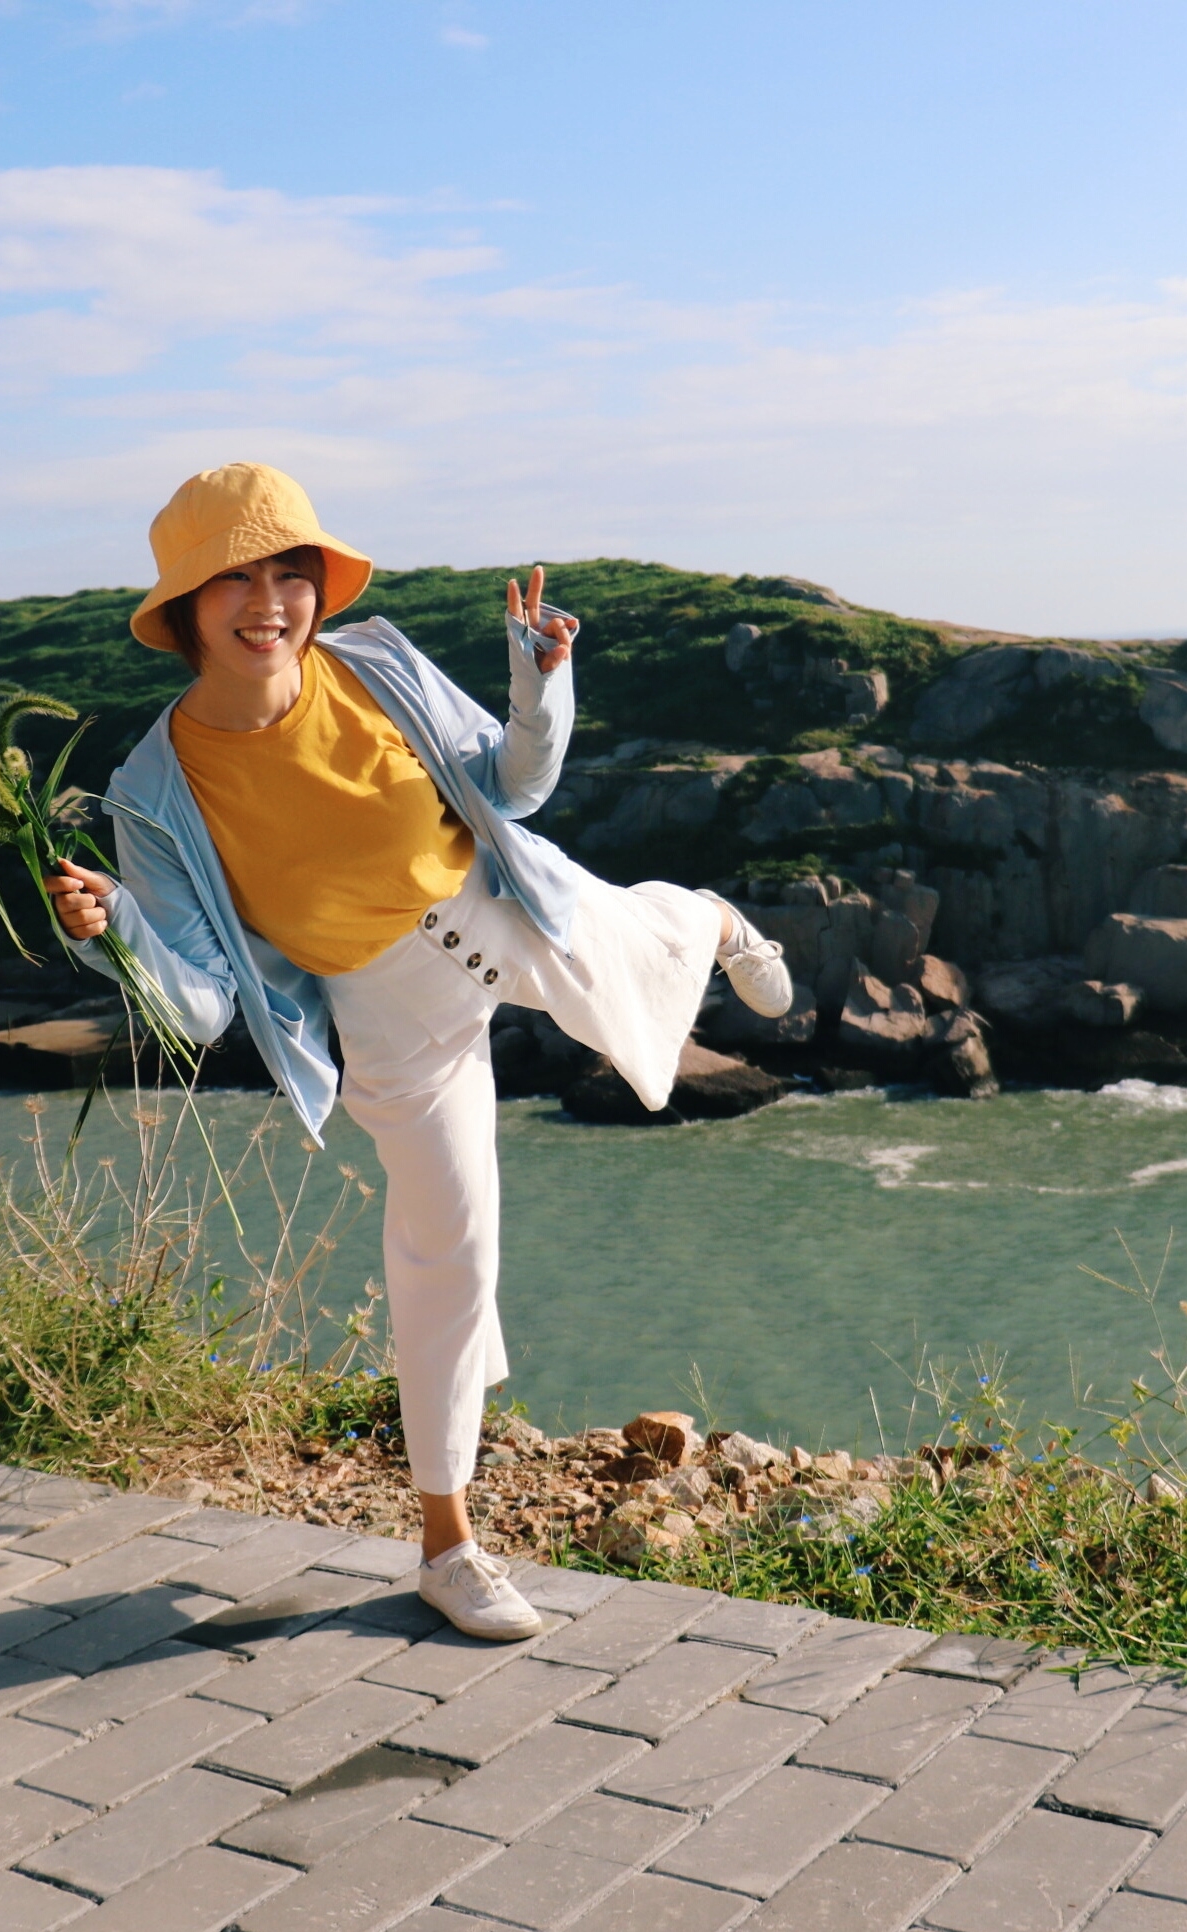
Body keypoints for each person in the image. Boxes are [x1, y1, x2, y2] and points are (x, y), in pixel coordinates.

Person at [47, 461, 792, 1640]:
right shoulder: (153, 791)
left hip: (505, 908)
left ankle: (716, 917)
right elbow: (194, 1007)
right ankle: (447, 1544)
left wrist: (540, 684)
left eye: (291, 571)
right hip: (390, 1013)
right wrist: (113, 935)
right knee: (445, 1250)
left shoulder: (377, 661)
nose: (270, 599)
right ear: (185, 608)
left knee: (647, 944)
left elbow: (515, 786)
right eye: (235, 576)